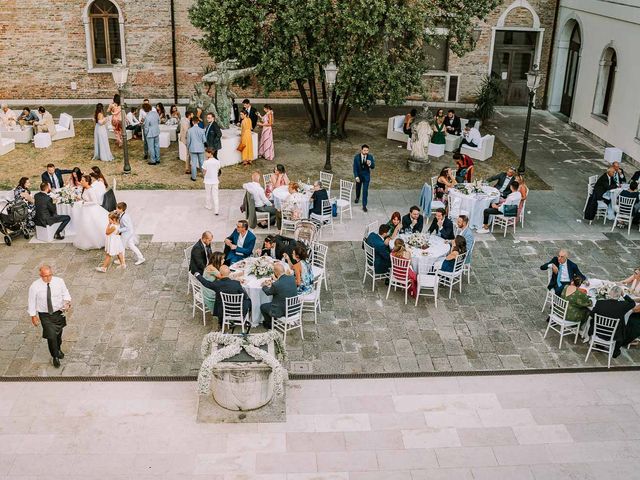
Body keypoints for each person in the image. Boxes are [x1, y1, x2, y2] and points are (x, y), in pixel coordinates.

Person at [27, 265, 71, 368]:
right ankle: (55, 355)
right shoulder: (35, 286)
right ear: (40, 275)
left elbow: (65, 293)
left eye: (50, 275)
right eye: (45, 276)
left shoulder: (59, 281)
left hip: (58, 312)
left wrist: (67, 302)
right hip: (45, 315)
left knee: (58, 333)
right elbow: (31, 302)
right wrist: (33, 316)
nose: (48, 278)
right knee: (51, 336)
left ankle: (58, 348)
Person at [590, 286, 636, 358]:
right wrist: (624, 295)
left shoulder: (600, 303)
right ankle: (615, 351)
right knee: (622, 326)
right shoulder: (623, 305)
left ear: (609, 293)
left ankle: (599, 346)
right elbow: (632, 303)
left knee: (594, 321)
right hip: (614, 335)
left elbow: (591, 314)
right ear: (619, 295)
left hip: (598, 331)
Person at [72, 175, 109, 250]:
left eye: (82, 181)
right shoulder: (85, 188)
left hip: (92, 210)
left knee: (94, 225)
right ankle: (89, 240)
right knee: (86, 226)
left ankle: (101, 241)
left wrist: (83, 203)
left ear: (87, 182)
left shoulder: (90, 190)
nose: (81, 182)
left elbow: (95, 202)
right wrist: (80, 198)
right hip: (86, 210)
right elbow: (86, 198)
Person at [260, 263, 298, 328]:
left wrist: (264, 286)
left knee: (263, 306)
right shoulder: (292, 278)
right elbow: (283, 284)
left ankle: (269, 324)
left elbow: (268, 292)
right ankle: (273, 320)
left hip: (282, 311)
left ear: (276, 272)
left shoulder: (276, 284)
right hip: (293, 308)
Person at [353, 144, 375, 212]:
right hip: (359, 176)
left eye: (367, 150)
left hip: (366, 176)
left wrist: (370, 164)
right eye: (364, 150)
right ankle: (357, 197)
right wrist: (356, 176)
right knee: (358, 188)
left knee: (365, 191)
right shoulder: (356, 157)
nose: (366, 152)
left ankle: (364, 205)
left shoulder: (370, 157)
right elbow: (355, 168)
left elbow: (373, 166)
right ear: (361, 150)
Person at [187, 116, 206, 181]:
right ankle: (204, 175)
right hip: (200, 148)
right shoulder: (202, 130)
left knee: (193, 163)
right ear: (198, 121)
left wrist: (188, 147)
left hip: (192, 148)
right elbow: (204, 140)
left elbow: (188, 141)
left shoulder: (189, 130)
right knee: (202, 163)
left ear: (192, 122)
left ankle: (194, 177)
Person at [202, 148, 221, 214]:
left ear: (210, 153)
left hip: (207, 180)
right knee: (215, 195)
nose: (205, 154)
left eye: (206, 153)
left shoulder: (206, 162)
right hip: (215, 180)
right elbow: (218, 169)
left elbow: (204, 171)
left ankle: (209, 206)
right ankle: (216, 210)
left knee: (208, 194)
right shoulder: (217, 161)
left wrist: (205, 176)